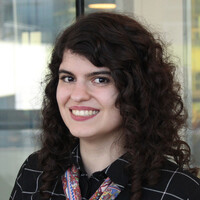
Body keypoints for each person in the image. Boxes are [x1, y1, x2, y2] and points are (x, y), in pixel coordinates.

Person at [10, 12, 200, 200]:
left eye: (100, 79)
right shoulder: (34, 172)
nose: (77, 95)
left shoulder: (180, 191)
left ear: (137, 89)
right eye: (68, 78)